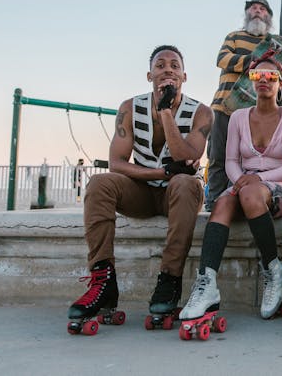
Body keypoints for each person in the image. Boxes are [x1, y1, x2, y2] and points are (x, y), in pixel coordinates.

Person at [67, 45, 212, 326]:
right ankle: (102, 281)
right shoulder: (130, 108)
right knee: (99, 183)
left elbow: (188, 157)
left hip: (178, 194)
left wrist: (167, 113)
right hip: (141, 193)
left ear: (184, 75)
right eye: (160, 65)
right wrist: (160, 171)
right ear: (149, 75)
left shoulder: (202, 112)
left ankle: (169, 280)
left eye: (174, 65)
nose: (167, 69)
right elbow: (117, 163)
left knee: (185, 183)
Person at [179, 54, 282, 320]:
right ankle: (207, 283)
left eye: (271, 76)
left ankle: (273, 268)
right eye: (257, 75)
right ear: (250, 80)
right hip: (243, 181)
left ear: (280, 83)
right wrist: (238, 180)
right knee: (223, 203)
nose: (263, 80)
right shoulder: (237, 117)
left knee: (249, 192)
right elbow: (230, 161)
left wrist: (259, 179)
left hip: (277, 184)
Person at [205, 0, 282, 211]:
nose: (257, 11)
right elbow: (223, 59)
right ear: (247, 14)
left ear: (269, 17)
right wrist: (259, 62)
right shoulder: (234, 37)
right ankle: (213, 204)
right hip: (224, 106)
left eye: (262, 9)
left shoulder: (277, 43)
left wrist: (273, 66)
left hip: (255, 113)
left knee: (246, 161)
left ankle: (238, 203)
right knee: (218, 156)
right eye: (253, 8)